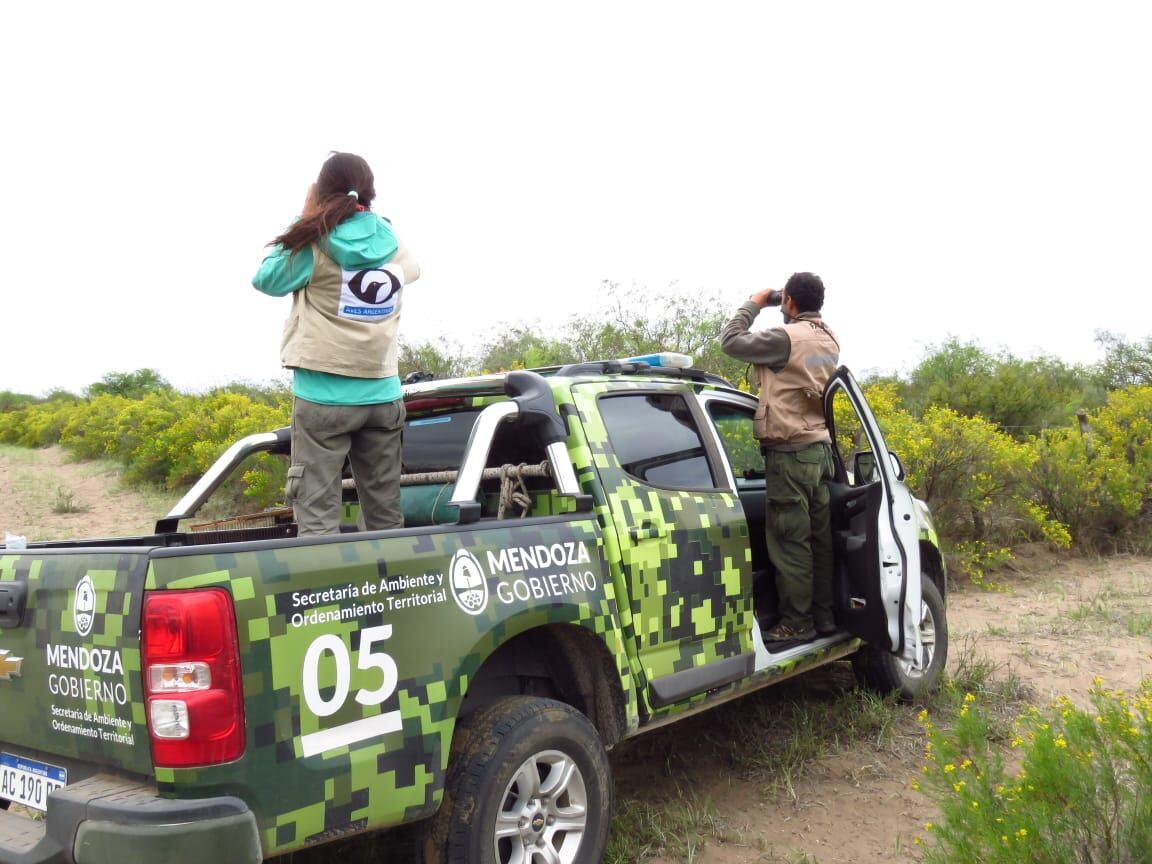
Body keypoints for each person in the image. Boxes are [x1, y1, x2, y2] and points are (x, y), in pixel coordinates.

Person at [253, 152, 420, 536]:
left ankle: (326, 594)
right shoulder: (392, 242)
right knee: (385, 518)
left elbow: (267, 279)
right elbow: (413, 271)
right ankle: (390, 589)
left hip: (323, 400)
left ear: (320, 192)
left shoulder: (315, 244)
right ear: (369, 191)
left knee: (317, 517)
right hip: (383, 397)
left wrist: (305, 218)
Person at [720, 272, 840, 643]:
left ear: (788, 301)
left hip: (790, 453)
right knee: (819, 540)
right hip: (819, 450)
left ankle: (796, 622)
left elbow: (730, 341)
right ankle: (824, 617)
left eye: (783, 300)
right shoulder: (830, 338)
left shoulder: (784, 338)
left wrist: (755, 303)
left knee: (790, 543)